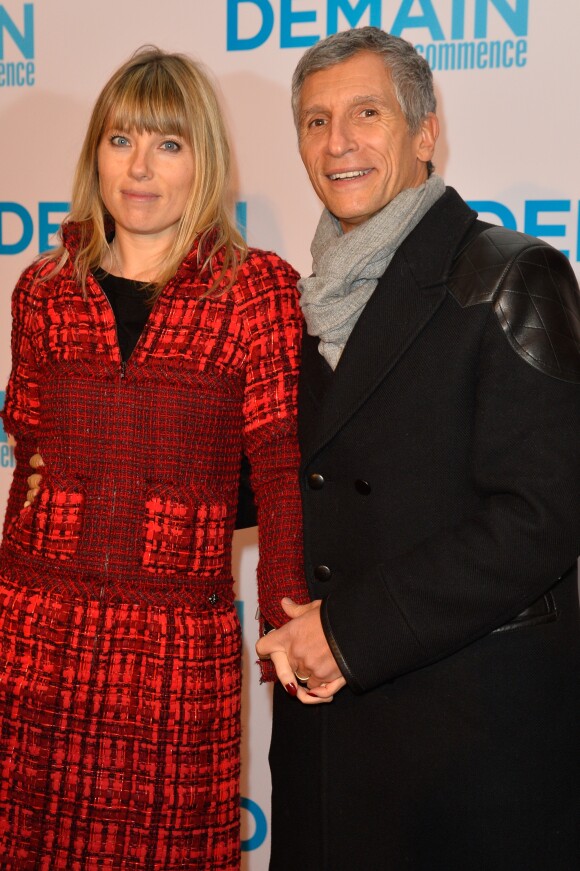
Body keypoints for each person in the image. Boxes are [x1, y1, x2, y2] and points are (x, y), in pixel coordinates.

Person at [257, 26, 580, 871]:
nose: (338, 143)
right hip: (328, 746)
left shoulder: (511, 277)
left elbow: (543, 518)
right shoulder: (301, 299)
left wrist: (353, 634)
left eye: (367, 113)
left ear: (424, 133)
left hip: (463, 748)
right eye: (316, 121)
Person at [0, 47, 309, 869]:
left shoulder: (255, 289)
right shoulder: (41, 289)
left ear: (203, 160)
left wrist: (287, 617)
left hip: (173, 651)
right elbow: (27, 455)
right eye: (121, 139)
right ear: (94, 152)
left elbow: (279, 470)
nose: (140, 168)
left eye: (168, 145)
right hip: (35, 635)